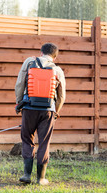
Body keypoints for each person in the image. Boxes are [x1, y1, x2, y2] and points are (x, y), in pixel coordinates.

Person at [15, 43, 66, 185]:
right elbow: (62, 96)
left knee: (27, 139)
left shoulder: (29, 62)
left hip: (29, 108)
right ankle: (41, 178)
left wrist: (19, 103)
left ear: (40, 52)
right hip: (48, 110)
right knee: (44, 142)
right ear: (54, 57)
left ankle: (26, 175)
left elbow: (19, 84)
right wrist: (56, 111)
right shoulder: (57, 70)